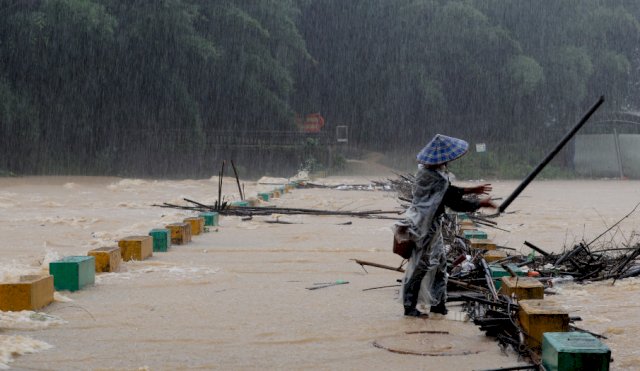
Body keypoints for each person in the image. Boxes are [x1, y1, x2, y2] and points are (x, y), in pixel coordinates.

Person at [400, 134, 496, 317]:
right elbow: (453, 201)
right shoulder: (431, 176)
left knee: (440, 263)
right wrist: (479, 202)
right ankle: (409, 306)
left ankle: (438, 303)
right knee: (421, 265)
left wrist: (471, 191)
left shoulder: (432, 173)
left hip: (432, 223)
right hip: (422, 226)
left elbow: (448, 192)